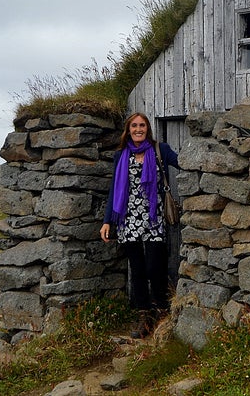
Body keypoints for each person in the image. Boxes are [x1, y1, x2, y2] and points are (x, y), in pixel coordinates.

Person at [100, 112, 179, 338]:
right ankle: (144, 316)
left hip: (153, 218)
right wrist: (107, 222)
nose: (138, 129)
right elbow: (114, 190)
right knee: (138, 270)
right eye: (134, 126)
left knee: (156, 267)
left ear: (148, 128)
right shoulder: (121, 156)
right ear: (128, 129)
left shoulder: (159, 150)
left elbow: (181, 162)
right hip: (129, 220)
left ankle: (161, 311)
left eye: (142, 125)